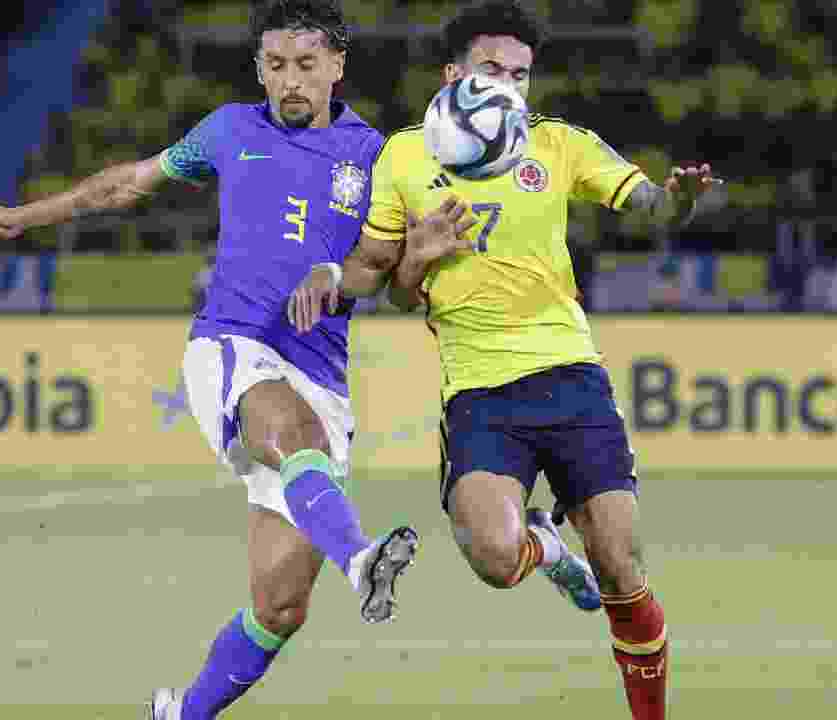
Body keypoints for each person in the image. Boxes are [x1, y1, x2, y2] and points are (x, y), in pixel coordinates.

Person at [0, 4, 420, 720]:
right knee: (295, 439)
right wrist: (21, 217)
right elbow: (124, 185)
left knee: (280, 607)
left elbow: (387, 271)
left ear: (337, 66)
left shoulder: (377, 156)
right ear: (259, 68)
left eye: (304, 64)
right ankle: (362, 559)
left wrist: (410, 260)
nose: (287, 80)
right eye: (274, 65)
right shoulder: (230, 129)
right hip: (232, 345)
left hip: (319, 371)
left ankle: (181, 714)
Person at [288, 3, 719, 718]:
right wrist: (352, 274)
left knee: (622, 569)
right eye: (494, 70)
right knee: (494, 559)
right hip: (480, 393)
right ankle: (545, 551)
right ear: (453, 74)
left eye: (521, 74)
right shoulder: (404, 156)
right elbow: (381, 278)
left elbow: (648, 205)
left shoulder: (555, 143)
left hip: (572, 378)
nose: (511, 86)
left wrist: (680, 201)